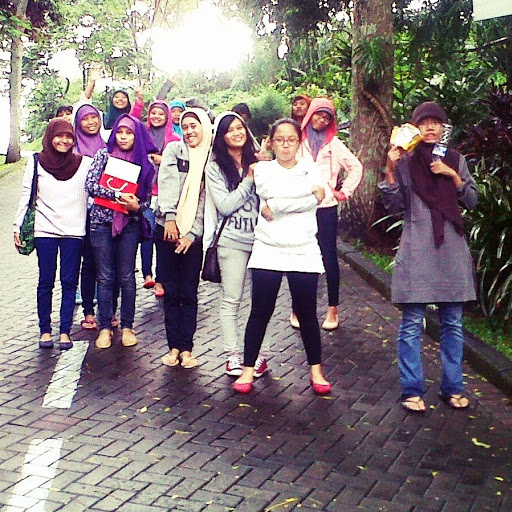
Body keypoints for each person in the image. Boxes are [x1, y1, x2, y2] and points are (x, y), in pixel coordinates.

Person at [380, 101, 478, 413]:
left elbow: (472, 200)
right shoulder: (406, 162)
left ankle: (453, 388)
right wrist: (390, 170)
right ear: (416, 128)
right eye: (424, 123)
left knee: (453, 323)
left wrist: (452, 175)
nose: (431, 127)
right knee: (412, 323)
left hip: (452, 249)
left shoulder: (456, 159)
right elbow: (393, 206)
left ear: (443, 127)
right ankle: (412, 390)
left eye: (436, 122)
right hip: (417, 248)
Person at [232, 118, 331, 395]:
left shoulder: (311, 168)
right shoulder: (262, 169)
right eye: (280, 140)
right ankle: (248, 368)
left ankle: (316, 370)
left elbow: (307, 200)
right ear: (271, 143)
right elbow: (269, 195)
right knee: (260, 311)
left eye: (291, 140)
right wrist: (308, 196)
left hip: (303, 248)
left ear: (299, 142)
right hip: (268, 248)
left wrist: (277, 204)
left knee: (307, 313)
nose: (285, 145)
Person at [13, 118, 90, 350]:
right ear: (50, 137)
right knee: (45, 281)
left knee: (69, 281)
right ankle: (45, 330)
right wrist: (17, 226)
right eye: (59, 136)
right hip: (44, 229)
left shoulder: (85, 163)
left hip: (74, 231)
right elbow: (27, 195)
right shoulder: (36, 161)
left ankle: (65, 331)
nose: (64, 141)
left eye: (69, 137)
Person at [85, 115, 157, 349]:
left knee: (126, 276)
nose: (124, 137)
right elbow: (90, 185)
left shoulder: (144, 162)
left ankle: (127, 326)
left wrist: (137, 206)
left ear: (137, 136)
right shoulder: (103, 155)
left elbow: (147, 200)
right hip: (101, 223)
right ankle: (105, 327)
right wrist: (116, 195)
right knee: (105, 276)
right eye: (120, 132)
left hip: (129, 224)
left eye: (129, 133)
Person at [293, 98, 363, 330]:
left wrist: (343, 192)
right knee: (300, 257)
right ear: (310, 114)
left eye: (327, 117)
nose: (321, 120)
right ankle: (297, 307)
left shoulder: (334, 144)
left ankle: (333, 309)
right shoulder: (298, 140)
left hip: (326, 209)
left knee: (328, 257)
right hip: (300, 207)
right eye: (318, 114)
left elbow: (356, 167)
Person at [205, 111, 264, 377]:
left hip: (264, 241)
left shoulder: (261, 160)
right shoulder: (215, 168)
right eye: (230, 130)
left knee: (262, 302)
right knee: (232, 299)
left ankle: (257, 355)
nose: (237, 133)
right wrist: (249, 179)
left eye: (240, 127)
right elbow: (226, 206)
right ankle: (233, 355)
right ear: (222, 136)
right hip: (232, 241)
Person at [155, 108, 213, 369]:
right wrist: (169, 218)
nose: (189, 131)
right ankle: (173, 347)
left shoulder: (211, 156)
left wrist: (192, 233)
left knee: (189, 292)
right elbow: (167, 183)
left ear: (204, 127)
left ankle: (187, 349)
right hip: (166, 228)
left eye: (194, 126)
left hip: (193, 236)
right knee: (171, 291)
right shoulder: (174, 150)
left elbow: (206, 198)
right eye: (185, 126)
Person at [131, 92, 180, 296]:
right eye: (153, 113)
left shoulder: (174, 139)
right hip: (145, 193)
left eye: (161, 113)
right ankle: (147, 274)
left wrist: (163, 160)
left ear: (167, 116)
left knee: (161, 238)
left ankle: (161, 279)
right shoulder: (142, 134)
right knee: (147, 234)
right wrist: (138, 104)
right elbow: (131, 123)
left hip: (165, 194)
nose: (156, 116)